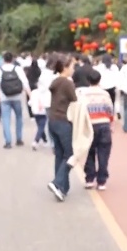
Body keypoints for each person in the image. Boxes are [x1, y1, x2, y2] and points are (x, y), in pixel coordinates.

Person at [72, 69, 115, 191]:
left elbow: (79, 110)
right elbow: (110, 111)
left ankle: (89, 179)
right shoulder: (105, 94)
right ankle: (102, 181)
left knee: (89, 151)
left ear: (88, 80)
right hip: (104, 125)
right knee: (104, 153)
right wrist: (111, 124)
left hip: (89, 125)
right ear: (99, 80)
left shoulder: (82, 94)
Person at [47, 55, 77, 201]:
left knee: (60, 154)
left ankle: (61, 189)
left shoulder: (56, 81)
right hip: (63, 121)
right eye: (72, 66)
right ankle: (57, 182)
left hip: (52, 121)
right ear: (65, 67)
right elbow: (75, 101)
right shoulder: (67, 83)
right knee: (70, 155)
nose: (73, 69)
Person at [0, 51, 32, 148]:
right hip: (17, 97)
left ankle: (8, 142)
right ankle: (19, 139)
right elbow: (25, 83)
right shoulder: (18, 69)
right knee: (19, 118)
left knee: (6, 119)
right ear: (12, 59)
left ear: (3, 59)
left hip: (4, 98)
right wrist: (31, 96)